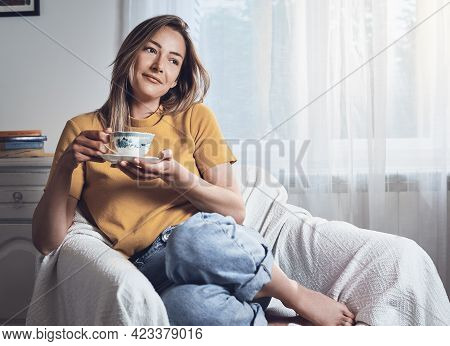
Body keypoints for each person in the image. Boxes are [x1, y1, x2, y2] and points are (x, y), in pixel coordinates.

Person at [32, 15, 355, 326]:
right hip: (154, 267)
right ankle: (266, 323)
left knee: (189, 241)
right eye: (150, 50)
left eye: (174, 60)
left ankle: (294, 295)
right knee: (182, 309)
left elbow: (235, 211)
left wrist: (178, 178)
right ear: (130, 54)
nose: (160, 65)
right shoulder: (82, 130)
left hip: (214, 249)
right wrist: (65, 167)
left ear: (177, 78)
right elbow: (47, 242)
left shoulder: (195, 117)